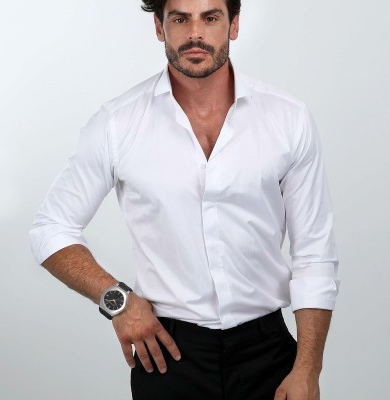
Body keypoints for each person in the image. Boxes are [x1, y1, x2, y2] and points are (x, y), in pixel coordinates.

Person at [30, 0, 340, 399]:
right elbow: (50, 229)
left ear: (234, 25)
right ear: (160, 27)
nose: (195, 33)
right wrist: (117, 300)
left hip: (269, 352)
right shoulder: (117, 123)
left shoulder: (288, 119)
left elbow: (314, 253)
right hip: (168, 356)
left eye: (210, 17)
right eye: (180, 18)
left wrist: (308, 368)